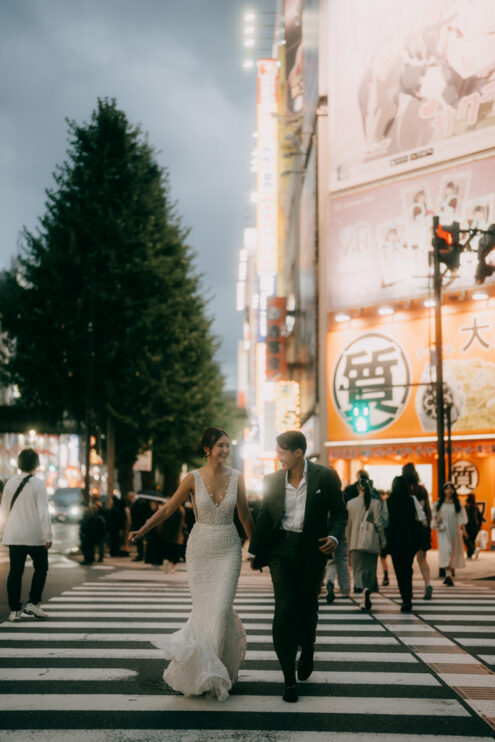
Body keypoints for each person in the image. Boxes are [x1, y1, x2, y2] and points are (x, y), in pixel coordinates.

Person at [130, 426, 254, 702]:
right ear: (207, 449)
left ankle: (217, 671)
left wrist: (257, 548)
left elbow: (244, 515)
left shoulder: (237, 478)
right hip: (200, 549)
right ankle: (205, 673)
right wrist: (144, 528)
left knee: (221, 609)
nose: (225, 450)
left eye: (227, 445)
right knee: (205, 609)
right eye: (220, 445)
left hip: (228, 548)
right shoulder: (192, 478)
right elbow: (167, 508)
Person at [249, 430, 348, 704]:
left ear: (298, 453)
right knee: (285, 608)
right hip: (280, 549)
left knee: (307, 606)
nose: (278, 456)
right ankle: (288, 680)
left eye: (282, 451)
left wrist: (334, 536)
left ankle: (308, 648)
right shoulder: (272, 480)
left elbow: (340, 513)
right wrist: (254, 551)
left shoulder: (325, 477)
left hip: (312, 550)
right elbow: (265, 517)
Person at [0, 448, 53, 622]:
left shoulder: (10, 483)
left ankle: (15, 610)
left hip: (14, 535)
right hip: (34, 536)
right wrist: (48, 535)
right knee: (41, 568)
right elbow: (43, 512)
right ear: (36, 465)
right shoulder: (38, 484)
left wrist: (2, 532)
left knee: (15, 572)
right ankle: (33, 603)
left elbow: (4, 510)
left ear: (19, 463)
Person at [346, 474, 388, 612]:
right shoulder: (376, 503)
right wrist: (383, 540)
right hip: (371, 542)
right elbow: (379, 523)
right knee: (370, 569)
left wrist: (348, 543)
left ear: (358, 487)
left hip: (355, 542)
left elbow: (348, 526)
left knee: (358, 570)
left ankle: (363, 591)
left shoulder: (350, 503)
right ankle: (368, 590)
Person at [386, 475, 426, 613]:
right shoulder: (411, 500)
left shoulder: (389, 501)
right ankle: (408, 597)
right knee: (407, 569)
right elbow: (421, 517)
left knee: (399, 571)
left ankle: (405, 598)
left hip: (395, 541)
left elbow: (386, 521)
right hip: (410, 540)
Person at [402, 462, 433, 599]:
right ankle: (427, 584)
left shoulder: (403, 490)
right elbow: (427, 510)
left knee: (407, 563)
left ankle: (409, 590)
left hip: (408, 531)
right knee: (422, 560)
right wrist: (428, 525)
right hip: (421, 529)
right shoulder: (422, 490)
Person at [432, 482, 468, 586]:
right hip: (443, 532)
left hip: (454, 532)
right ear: (444, 491)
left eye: (451, 488)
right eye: (447, 488)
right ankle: (448, 575)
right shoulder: (438, 503)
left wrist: (464, 531)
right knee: (447, 551)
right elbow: (434, 515)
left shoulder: (457, 504)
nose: (449, 490)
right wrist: (436, 519)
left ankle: (449, 575)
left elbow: (462, 519)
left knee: (452, 552)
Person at [130, 494, 151, 562]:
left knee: (139, 541)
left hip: (138, 524)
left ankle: (140, 555)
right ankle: (141, 555)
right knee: (140, 541)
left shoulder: (138, 504)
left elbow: (135, 514)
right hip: (141, 523)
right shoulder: (145, 504)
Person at [463, 493, 484, 560]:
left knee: (467, 539)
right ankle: (470, 554)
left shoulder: (466, 507)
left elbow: (464, 517)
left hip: (468, 526)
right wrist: (479, 526)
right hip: (475, 527)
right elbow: (479, 517)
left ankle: (473, 550)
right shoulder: (476, 507)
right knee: (471, 540)